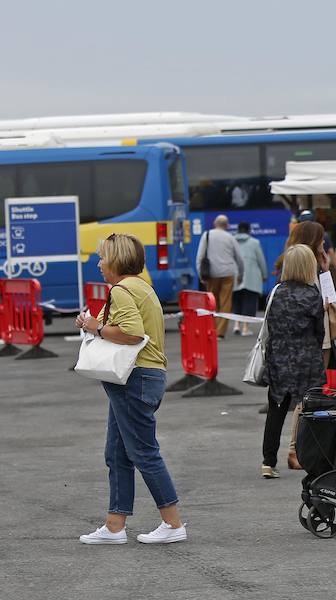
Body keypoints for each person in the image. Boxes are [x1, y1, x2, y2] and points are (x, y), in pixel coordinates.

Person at [75, 233, 186, 544]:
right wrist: (92, 324)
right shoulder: (142, 288)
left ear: (116, 260)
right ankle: (114, 525)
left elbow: (132, 334)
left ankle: (173, 524)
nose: (98, 263)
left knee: (142, 452)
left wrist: (94, 326)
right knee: (117, 452)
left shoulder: (122, 291)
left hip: (134, 378)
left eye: (102, 257)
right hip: (143, 377)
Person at [260, 244, 326, 479]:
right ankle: (308, 456)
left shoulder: (275, 292)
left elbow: (269, 325)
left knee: (275, 411)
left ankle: (268, 462)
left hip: (279, 357)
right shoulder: (312, 295)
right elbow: (320, 332)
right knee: (309, 410)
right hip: (306, 358)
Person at [196, 214, 244, 338]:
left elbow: (200, 257)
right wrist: (241, 274)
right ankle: (220, 332)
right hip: (228, 273)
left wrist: (200, 274)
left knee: (212, 303)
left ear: (214, 224)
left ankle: (212, 329)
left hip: (211, 274)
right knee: (226, 302)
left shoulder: (206, 235)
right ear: (227, 225)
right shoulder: (230, 237)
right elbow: (239, 258)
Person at [232, 222, 267, 336]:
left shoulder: (232, 242)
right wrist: (264, 274)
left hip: (235, 276)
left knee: (236, 301)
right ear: (248, 230)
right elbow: (261, 260)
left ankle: (236, 325)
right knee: (249, 302)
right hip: (252, 278)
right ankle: (245, 328)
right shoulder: (254, 242)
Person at [298, 209, 336, 285]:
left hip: (305, 275)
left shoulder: (298, 237)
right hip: (319, 273)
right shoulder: (322, 235)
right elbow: (331, 253)